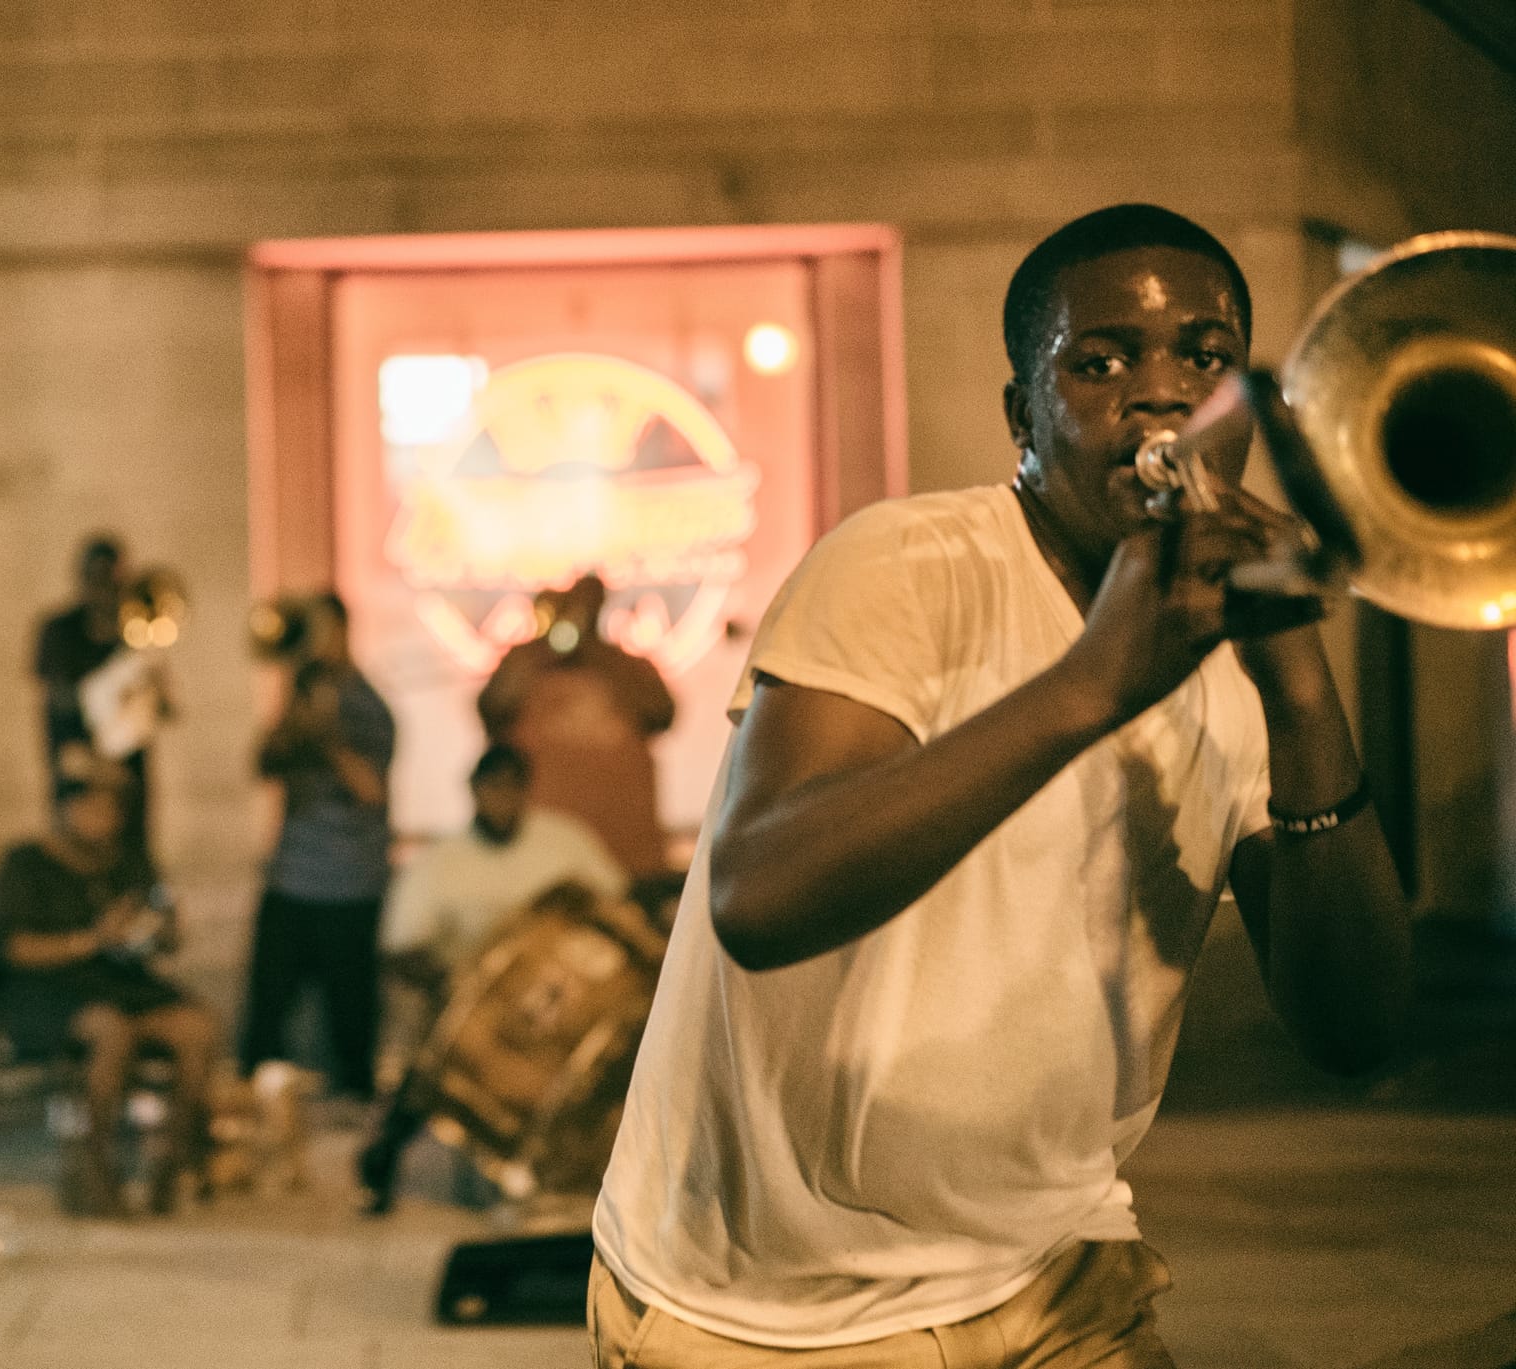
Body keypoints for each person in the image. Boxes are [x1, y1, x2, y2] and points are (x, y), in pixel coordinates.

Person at [589, 204, 1411, 1368]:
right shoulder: (904, 562)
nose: (1159, 392)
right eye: (1099, 363)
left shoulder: (1231, 651)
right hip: (757, 1314)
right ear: (1023, 416)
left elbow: (1355, 1028)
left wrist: (1298, 684)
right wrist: (1087, 685)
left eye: (1203, 356)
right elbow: (759, 895)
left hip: (1051, 1277)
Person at [356, 742, 628, 1214]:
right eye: (492, 788)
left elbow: (616, 906)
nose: (502, 798)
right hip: (476, 1009)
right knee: (437, 1061)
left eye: (511, 787)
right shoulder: (442, 859)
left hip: (565, 1004)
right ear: (474, 791)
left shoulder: (563, 842)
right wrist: (455, 985)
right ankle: (383, 1161)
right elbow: (401, 947)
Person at [0, 757, 218, 1217]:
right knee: (110, 1032)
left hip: (122, 985)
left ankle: (171, 1160)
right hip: (50, 992)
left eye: (110, 809)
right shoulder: (26, 863)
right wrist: (93, 939)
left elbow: (158, 935)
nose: (100, 819)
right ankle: (94, 1166)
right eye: (90, 806)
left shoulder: (128, 863)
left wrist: (156, 929)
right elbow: (14, 948)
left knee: (197, 1028)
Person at [238, 593, 396, 1102]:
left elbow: (370, 790)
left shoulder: (370, 707)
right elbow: (263, 765)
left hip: (350, 887)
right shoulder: (300, 697)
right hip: (291, 880)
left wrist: (328, 737)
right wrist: (293, 721)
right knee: (265, 1017)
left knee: (351, 1021)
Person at [479, 573, 676, 880]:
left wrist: (597, 650)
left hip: (628, 857)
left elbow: (662, 712)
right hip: (542, 864)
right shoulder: (524, 663)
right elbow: (492, 708)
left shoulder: (624, 666)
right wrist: (544, 649)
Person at [34, 535, 163, 867]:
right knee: (79, 857)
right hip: (79, 766)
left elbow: (160, 710)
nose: (108, 588)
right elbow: (59, 701)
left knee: (132, 857)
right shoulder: (59, 631)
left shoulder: (134, 632)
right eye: (100, 578)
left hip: (128, 772)